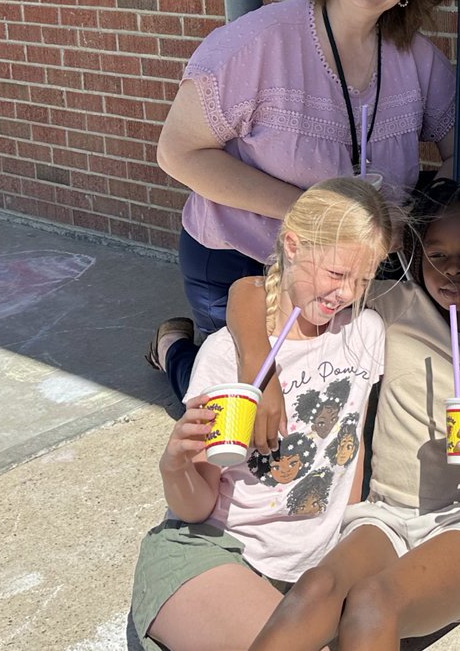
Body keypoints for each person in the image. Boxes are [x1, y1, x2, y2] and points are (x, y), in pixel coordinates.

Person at [148, 0, 455, 403]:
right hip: (243, 256)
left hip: (352, 269)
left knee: (330, 401)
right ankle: (176, 351)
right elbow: (177, 152)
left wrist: (418, 216)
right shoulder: (255, 44)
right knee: (245, 407)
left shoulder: (418, 59)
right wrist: (314, 214)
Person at [231, 177, 460, 651]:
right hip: (383, 515)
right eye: (437, 255)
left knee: (373, 604)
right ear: (418, 257)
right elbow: (249, 288)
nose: (453, 270)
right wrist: (261, 377)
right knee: (315, 589)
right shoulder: (393, 304)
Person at [129, 177, 394, 651]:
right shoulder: (222, 356)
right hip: (214, 554)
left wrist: (349, 540)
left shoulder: (364, 333)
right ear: (291, 245)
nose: (346, 294)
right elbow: (196, 507)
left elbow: (351, 453)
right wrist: (175, 466)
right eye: (336, 274)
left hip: (309, 574)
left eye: (363, 279)